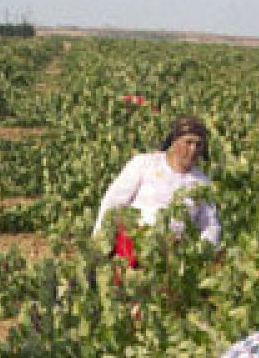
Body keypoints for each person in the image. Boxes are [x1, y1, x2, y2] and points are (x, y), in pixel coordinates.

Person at [94, 114, 222, 265]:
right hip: (132, 249)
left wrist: (201, 253)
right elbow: (112, 203)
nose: (193, 149)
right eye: (188, 142)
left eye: (198, 144)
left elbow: (210, 224)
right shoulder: (145, 164)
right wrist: (99, 245)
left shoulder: (202, 182)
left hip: (174, 259)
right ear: (174, 142)